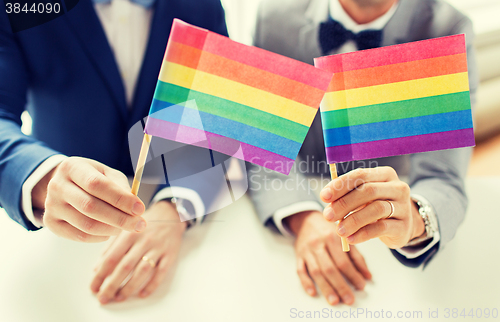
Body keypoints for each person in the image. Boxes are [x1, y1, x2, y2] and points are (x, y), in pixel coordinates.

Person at [249, 0, 478, 306]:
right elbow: (262, 143)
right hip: (282, 251)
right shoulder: (272, 19)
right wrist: (303, 216)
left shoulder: (446, 28)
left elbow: (443, 178)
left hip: (389, 270)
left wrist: (413, 219)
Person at [0, 0, 228, 304]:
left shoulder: (205, 6)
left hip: (182, 227)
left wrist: (176, 206)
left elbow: (220, 114)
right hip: (55, 233)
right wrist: (42, 176)